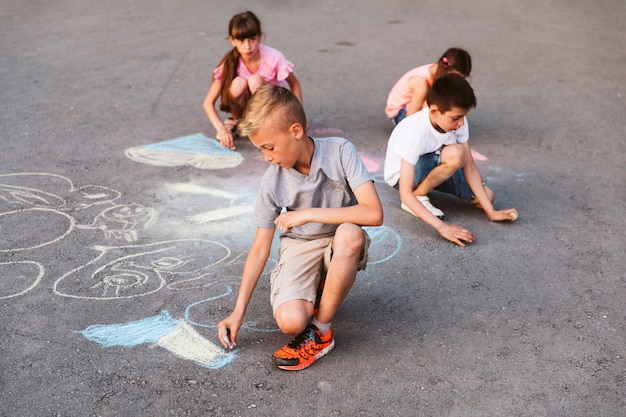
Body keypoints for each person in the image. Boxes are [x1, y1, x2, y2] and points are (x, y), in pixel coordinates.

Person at [217, 85, 383, 371]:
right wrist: (238, 312)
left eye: (269, 147)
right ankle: (319, 290)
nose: (267, 157)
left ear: (295, 131)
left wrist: (308, 213)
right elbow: (259, 248)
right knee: (291, 322)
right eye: (261, 150)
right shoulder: (273, 180)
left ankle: (321, 332)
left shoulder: (340, 151)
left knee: (350, 235)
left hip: (338, 238)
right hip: (301, 245)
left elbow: (374, 213)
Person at [383, 73, 518, 247]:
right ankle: (420, 196)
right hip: (402, 179)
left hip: (435, 165)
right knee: (456, 154)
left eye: (463, 116)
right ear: (434, 112)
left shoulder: (458, 121)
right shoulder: (413, 132)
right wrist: (442, 227)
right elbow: (405, 193)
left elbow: (470, 168)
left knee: (487, 197)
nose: (461, 123)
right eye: (455, 118)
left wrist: (491, 212)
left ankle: (422, 194)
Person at [203, 10, 302, 150]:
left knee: (255, 81)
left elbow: (294, 83)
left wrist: (298, 117)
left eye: (252, 39)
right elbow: (208, 103)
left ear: (260, 37)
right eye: (241, 40)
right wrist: (221, 130)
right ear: (232, 40)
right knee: (238, 83)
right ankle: (238, 121)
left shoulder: (273, 57)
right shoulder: (229, 63)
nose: (247, 46)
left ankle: (265, 124)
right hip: (244, 112)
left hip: (271, 109)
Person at [385, 47, 472, 125]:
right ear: (446, 68)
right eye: (457, 76)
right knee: (431, 105)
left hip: (411, 108)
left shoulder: (436, 71)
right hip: (400, 113)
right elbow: (410, 115)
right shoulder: (420, 82)